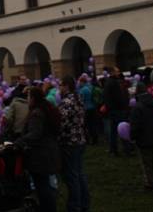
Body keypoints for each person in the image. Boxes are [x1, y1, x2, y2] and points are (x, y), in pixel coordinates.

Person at [15, 86, 61, 212]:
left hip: (40, 155)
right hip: (47, 152)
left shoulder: (37, 113)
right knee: (44, 185)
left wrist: (20, 141)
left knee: (42, 187)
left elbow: (35, 134)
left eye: (29, 97)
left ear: (34, 98)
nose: (27, 99)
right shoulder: (46, 108)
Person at [59, 76, 90, 211]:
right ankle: (85, 202)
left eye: (61, 85)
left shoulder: (67, 102)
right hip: (80, 138)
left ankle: (74, 205)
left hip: (70, 141)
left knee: (72, 176)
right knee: (79, 173)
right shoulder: (78, 98)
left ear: (66, 86)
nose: (59, 88)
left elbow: (62, 122)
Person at [129, 82, 153, 191]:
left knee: (146, 163)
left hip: (144, 139)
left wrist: (133, 137)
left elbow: (135, 125)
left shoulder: (137, 108)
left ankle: (149, 183)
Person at [103, 67, 132, 156]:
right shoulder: (114, 83)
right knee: (123, 129)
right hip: (118, 110)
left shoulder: (108, 82)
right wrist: (123, 106)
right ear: (112, 72)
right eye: (117, 71)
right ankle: (126, 150)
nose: (118, 73)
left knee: (113, 132)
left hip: (112, 110)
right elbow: (118, 97)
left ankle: (113, 150)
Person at [78, 76, 98, 145]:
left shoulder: (82, 90)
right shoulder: (90, 87)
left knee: (85, 125)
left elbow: (81, 100)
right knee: (93, 125)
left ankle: (87, 140)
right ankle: (95, 139)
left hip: (86, 109)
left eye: (80, 82)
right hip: (92, 108)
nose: (79, 83)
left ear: (82, 82)